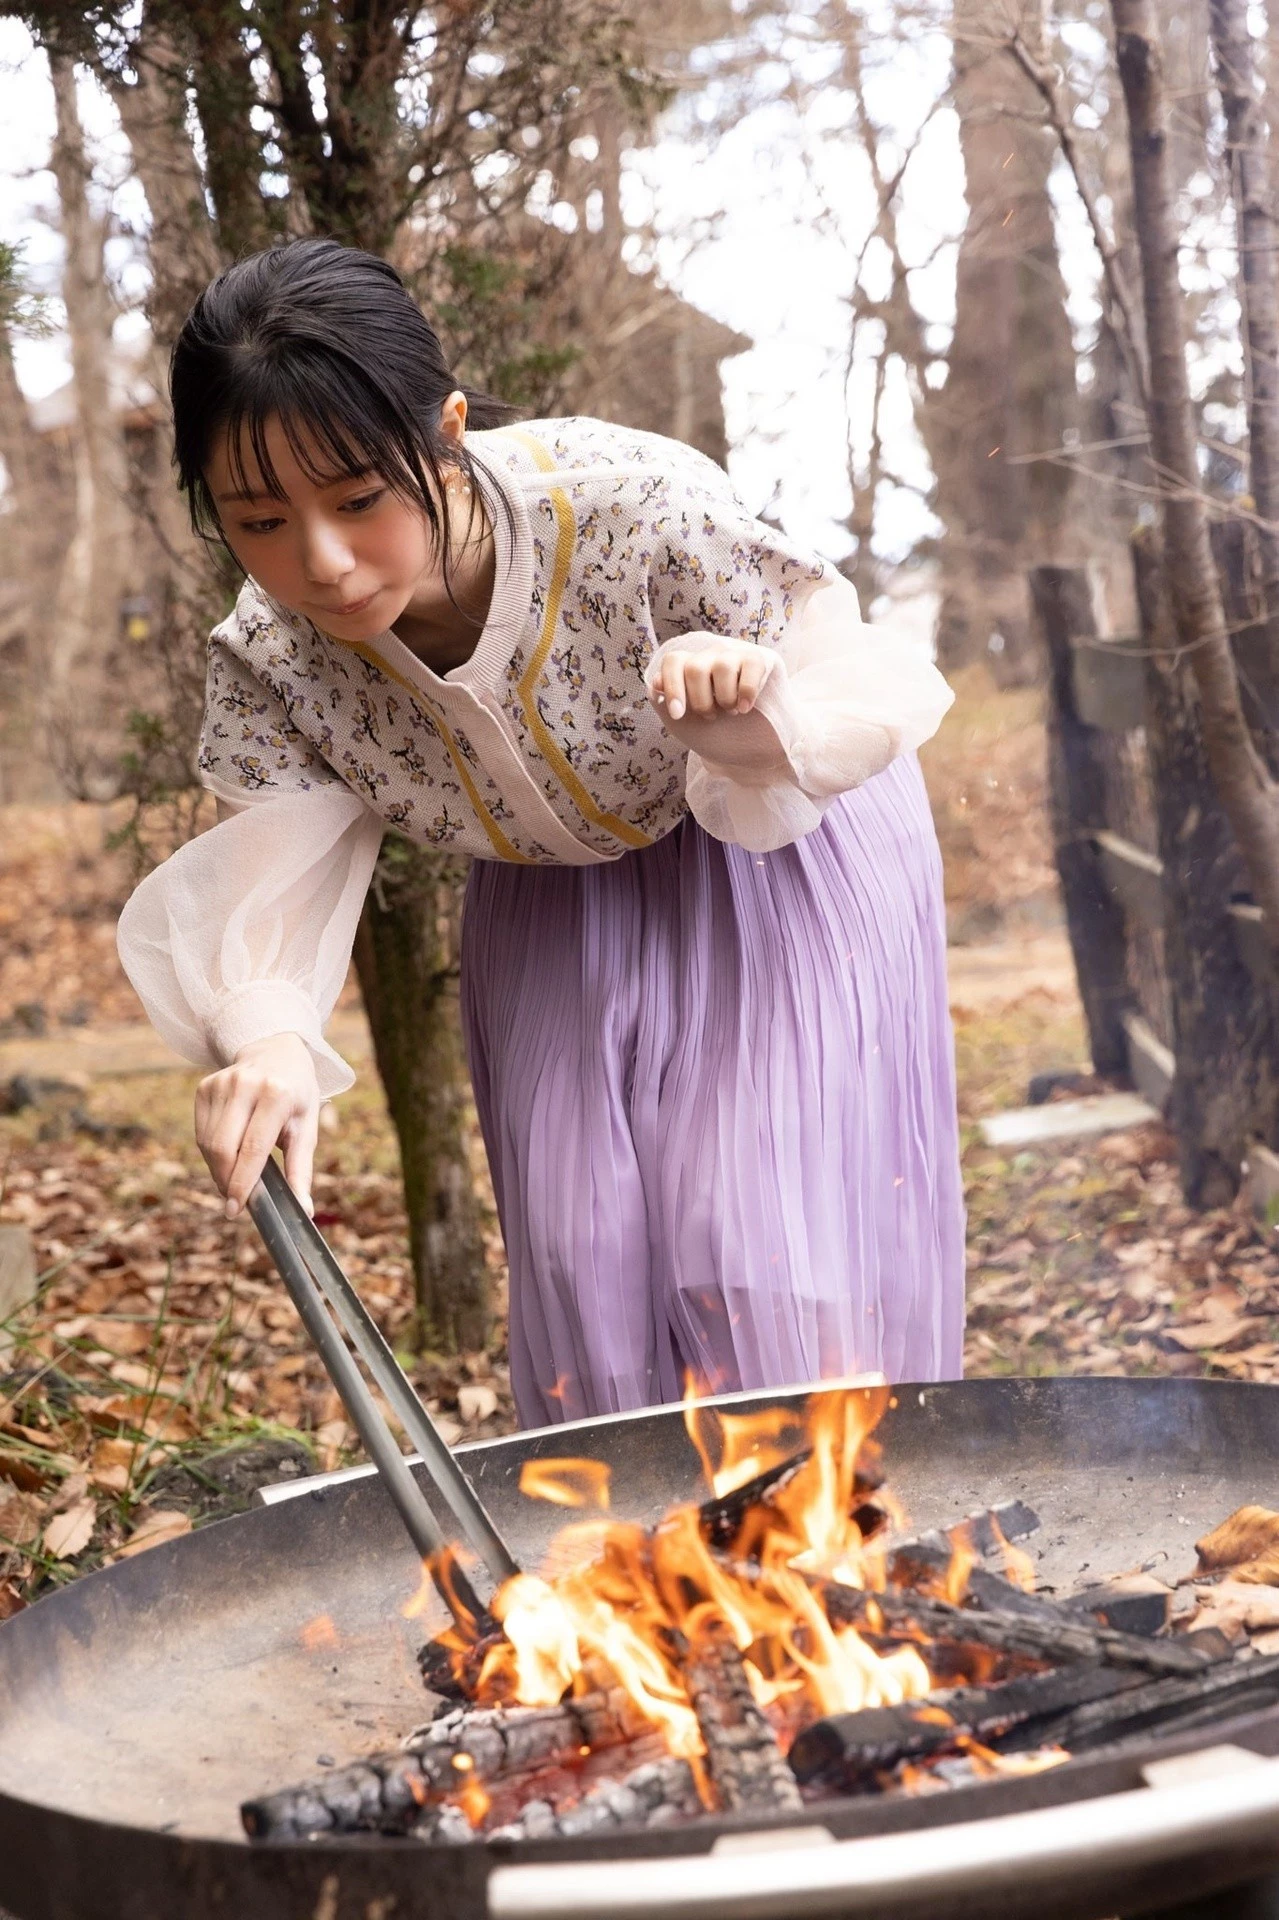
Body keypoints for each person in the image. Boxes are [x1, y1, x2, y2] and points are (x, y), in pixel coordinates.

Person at [117, 237, 964, 1428]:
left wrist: (748, 694)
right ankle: (642, 1586)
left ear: (447, 432)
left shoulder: (634, 509)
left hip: (777, 848)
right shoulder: (273, 657)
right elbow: (269, 879)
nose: (319, 560)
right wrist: (265, 1042)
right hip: (546, 898)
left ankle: (822, 1557)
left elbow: (835, 677)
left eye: (360, 499)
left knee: (752, 1233)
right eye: (259, 520)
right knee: (581, 1253)